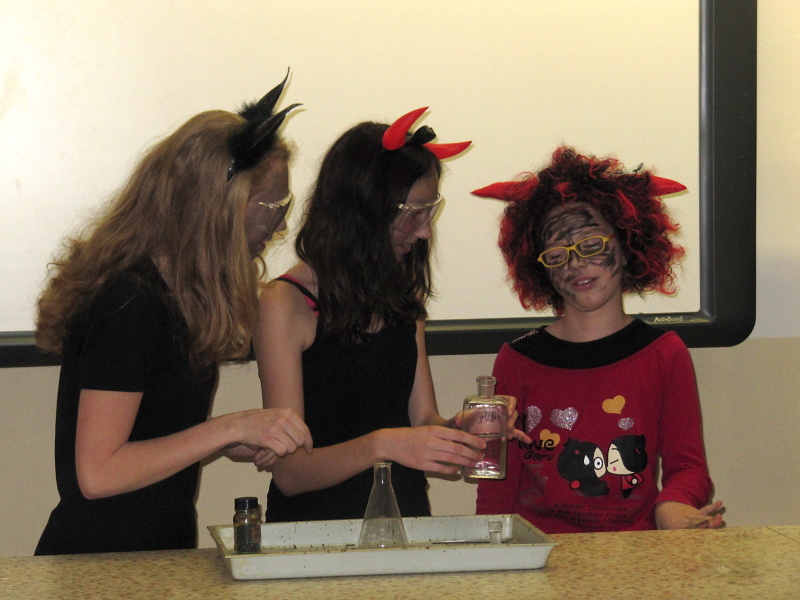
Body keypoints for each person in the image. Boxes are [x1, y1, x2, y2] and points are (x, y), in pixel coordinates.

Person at [34, 73, 313, 555]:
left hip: (152, 557)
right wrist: (229, 427)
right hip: (99, 566)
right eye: (271, 205)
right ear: (217, 207)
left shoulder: (176, 297)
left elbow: (151, 433)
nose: (282, 222)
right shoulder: (129, 302)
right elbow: (98, 474)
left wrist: (227, 439)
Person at [253, 107, 528, 522]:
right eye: (413, 212)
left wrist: (460, 429)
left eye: (430, 210)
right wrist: (383, 444)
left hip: (404, 523)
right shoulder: (284, 303)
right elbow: (291, 473)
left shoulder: (403, 292)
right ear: (361, 208)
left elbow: (422, 421)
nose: (425, 230)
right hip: (314, 536)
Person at [471, 146, 724, 533]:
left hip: (637, 556)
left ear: (626, 246)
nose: (576, 263)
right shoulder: (516, 360)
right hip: (539, 557)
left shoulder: (664, 354)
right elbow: (497, 486)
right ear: (541, 269)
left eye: (591, 246)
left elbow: (688, 467)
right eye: (557, 254)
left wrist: (672, 507)